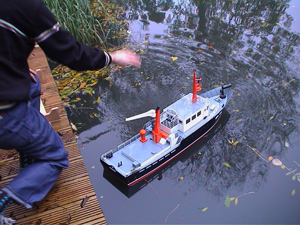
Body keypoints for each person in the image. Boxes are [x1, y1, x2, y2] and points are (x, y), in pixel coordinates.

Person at [0, 0, 141, 223]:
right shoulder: (27, 6)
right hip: (4, 113)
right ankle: (5, 198)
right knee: (55, 156)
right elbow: (71, 54)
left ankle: (28, 148)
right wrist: (112, 57)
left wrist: (12, 67)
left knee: (33, 84)